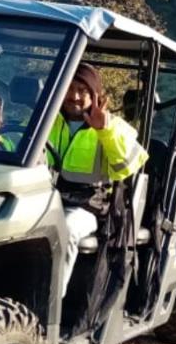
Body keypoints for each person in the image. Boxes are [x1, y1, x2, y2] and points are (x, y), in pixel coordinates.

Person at [47, 63, 149, 292]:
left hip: (88, 208)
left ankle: (49, 307)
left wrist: (104, 130)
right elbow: (15, 145)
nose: (73, 96)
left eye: (82, 91)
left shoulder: (114, 127)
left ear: (95, 95)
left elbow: (125, 167)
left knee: (67, 229)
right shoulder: (48, 121)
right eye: (69, 88)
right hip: (47, 200)